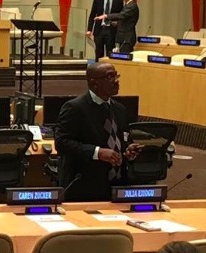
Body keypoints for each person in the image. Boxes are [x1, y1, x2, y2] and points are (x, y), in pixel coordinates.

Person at [55, 62, 144, 202]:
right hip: (84, 186)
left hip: (117, 185)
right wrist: (97, 152)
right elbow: (62, 143)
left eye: (116, 75)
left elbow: (122, 139)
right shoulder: (75, 108)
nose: (116, 81)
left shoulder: (120, 109)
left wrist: (128, 150)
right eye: (110, 77)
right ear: (93, 83)